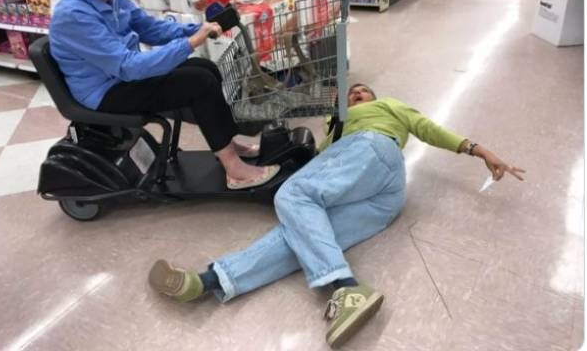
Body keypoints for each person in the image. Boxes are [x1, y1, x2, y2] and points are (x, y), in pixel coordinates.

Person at [148, 83, 525, 348]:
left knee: (293, 195)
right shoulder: (335, 128)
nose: (357, 94)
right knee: (304, 235)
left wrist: (478, 150)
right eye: (352, 92)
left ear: (376, 99)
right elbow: (322, 162)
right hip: (383, 202)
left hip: (375, 151)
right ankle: (208, 281)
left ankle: (345, 289)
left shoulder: (387, 108)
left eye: (364, 92)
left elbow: (427, 128)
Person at [50, 0, 279, 190]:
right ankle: (234, 169)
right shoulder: (74, 17)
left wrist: (197, 29)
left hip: (120, 77)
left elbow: (152, 29)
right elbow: (127, 66)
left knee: (205, 68)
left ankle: (226, 143)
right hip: (105, 92)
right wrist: (190, 43)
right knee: (197, 82)